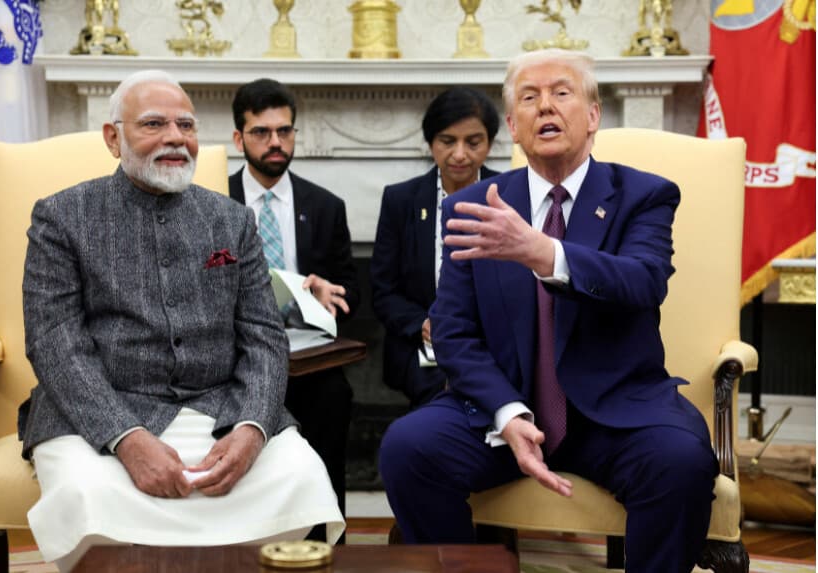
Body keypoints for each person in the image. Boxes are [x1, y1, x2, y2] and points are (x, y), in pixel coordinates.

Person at [379, 49, 718, 573]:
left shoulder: (643, 195)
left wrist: (544, 252)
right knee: (407, 448)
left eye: (561, 93)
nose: (545, 107)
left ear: (593, 115)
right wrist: (507, 413)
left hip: (614, 413)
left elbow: (643, 282)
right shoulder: (473, 207)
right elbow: (452, 331)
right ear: (514, 126)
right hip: (504, 410)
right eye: (529, 98)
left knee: (681, 461)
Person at [19, 70, 343, 572]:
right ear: (113, 138)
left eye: (186, 126)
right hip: (97, 414)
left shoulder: (231, 220)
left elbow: (263, 337)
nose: (175, 138)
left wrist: (253, 428)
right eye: (154, 124)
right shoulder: (62, 217)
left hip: (217, 409)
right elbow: (55, 343)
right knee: (88, 494)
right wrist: (125, 437)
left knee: (299, 475)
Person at [228, 78, 359, 541]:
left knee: (334, 397)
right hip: (233, 357)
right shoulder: (213, 201)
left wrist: (328, 295)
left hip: (306, 356)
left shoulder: (325, 206)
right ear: (239, 138)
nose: (276, 142)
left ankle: (327, 543)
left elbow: (351, 296)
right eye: (261, 132)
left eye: (284, 131)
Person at [370, 87, 501, 408]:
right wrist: (423, 324)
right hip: (423, 345)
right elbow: (383, 291)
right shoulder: (401, 200)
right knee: (442, 396)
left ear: (490, 143)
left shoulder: (509, 196)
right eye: (447, 141)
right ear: (430, 142)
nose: (460, 154)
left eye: (473, 142)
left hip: (492, 341)